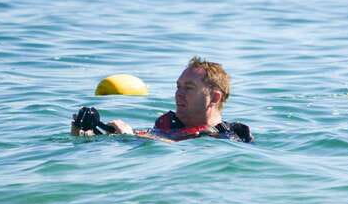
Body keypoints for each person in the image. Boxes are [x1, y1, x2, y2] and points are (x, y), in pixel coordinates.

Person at [72, 57, 253, 143]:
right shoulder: (167, 126)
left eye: (189, 88)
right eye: (178, 86)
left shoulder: (228, 137)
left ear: (215, 97)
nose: (178, 94)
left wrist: (129, 136)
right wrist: (84, 131)